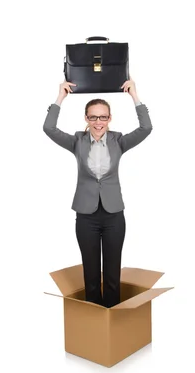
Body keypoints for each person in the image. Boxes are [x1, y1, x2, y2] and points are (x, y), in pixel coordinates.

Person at [43, 78, 152, 308]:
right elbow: (49, 129)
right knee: (91, 275)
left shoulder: (119, 141)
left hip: (114, 215)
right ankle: (93, 323)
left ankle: (111, 322)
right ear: (86, 118)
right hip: (86, 216)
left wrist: (135, 95)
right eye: (93, 117)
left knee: (112, 276)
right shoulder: (77, 142)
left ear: (109, 118)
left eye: (103, 117)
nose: (98, 122)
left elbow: (146, 128)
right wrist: (60, 97)